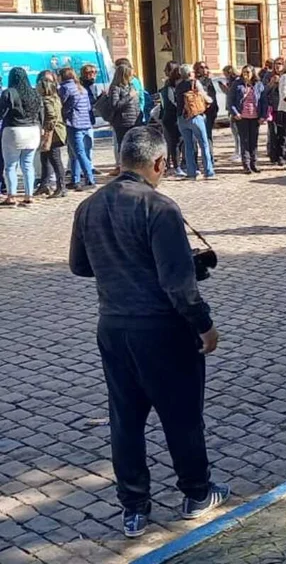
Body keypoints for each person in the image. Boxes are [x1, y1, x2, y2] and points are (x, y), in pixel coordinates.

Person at [69, 125, 229, 538]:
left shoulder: (88, 205)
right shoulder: (160, 208)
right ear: (158, 163)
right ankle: (196, 492)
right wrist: (205, 326)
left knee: (125, 419)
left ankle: (134, 507)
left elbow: (80, 266)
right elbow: (179, 285)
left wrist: (120, 268)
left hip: (113, 326)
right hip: (162, 330)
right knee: (182, 416)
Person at [0, 67, 42, 206]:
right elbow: (41, 113)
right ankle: (29, 195)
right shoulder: (35, 93)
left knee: (10, 165)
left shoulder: (9, 93)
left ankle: (11, 196)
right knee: (28, 164)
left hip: (13, 130)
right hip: (33, 130)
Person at [174, 64, 215, 180]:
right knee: (204, 144)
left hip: (182, 118)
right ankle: (209, 171)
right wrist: (210, 101)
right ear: (189, 73)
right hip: (195, 116)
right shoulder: (194, 83)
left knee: (188, 146)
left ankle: (191, 172)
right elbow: (204, 96)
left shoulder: (178, 85)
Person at [60, 67, 96, 190]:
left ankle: (89, 179)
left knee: (79, 152)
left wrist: (63, 114)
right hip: (85, 123)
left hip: (73, 124)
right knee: (74, 153)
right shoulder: (81, 88)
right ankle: (75, 179)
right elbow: (88, 107)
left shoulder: (66, 88)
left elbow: (63, 104)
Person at [229, 65, 265, 174]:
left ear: (253, 73)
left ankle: (254, 163)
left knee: (253, 141)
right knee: (244, 141)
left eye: (248, 72)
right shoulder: (237, 84)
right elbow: (230, 101)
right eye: (244, 72)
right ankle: (246, 165)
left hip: (255, 117)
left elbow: (263, 101)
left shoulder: (258, 84)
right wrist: (235, 113)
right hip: (242, 117)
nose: (246, 74)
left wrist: (263, 116)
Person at [37, 74, 67, 198]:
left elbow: (51, 116)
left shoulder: (47, 100)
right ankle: (44, 184)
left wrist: (46, 129)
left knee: (55, 160)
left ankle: (61, 187)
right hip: (56, 131)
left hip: (53, 134)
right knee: (44, 158)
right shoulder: (55, 98)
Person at [109, 64, 142, 175]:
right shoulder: (115, 88)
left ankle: (133, 168)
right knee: (124, 146)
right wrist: (129, 96)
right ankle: (124, 169)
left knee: (135, 145)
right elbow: (115, 105)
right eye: (130, 74)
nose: (132, 76)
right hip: (123, 122)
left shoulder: (131, 86)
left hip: (135, 121)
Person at [158, 62, 186, 178]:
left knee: (177, 142)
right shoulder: (168, 89)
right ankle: (176, 167)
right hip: (170, 119)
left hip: (174, 118)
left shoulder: (172, 87)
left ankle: (177, 165)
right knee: (174, 143)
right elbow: (171, 104)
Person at [194, 62, 220, 150]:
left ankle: (210, 158)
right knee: (199, 137)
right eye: (201, 67)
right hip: (200, 112)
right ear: (197, 69)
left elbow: (213, 96)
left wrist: (215, 110)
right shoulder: (195, 81)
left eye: (206, 67)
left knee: (207, 136)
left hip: (210, 112)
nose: (204, 69)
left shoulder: (209, 80)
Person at [219, 66, 241, 162]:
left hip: (235, 109)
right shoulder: (232, 81)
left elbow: (232, 94)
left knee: (237, 132)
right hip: (231, 109)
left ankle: (239, 152)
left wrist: (225, 89)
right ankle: (237, 151)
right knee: (235, 132)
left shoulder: (235, 81)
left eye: (225, 73)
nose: (224, 76)